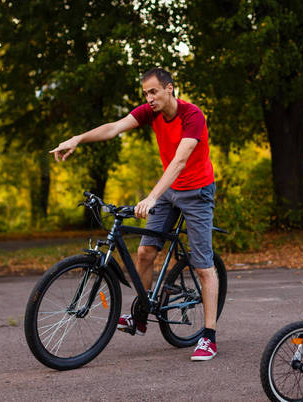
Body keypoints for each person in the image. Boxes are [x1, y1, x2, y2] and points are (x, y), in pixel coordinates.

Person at [49, 67, 219, 361]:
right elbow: (114, 128)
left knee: (203, 266)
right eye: (145, 94)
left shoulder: (193, 116)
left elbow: (179, 161)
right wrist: (77, 138)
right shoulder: (150, 113)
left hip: (197, 192)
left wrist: (152, 196)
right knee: (144, 253)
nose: (149, 98)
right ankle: (140, 315)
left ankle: (209, 337)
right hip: (169, 189)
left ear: (169, 88)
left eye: (153, 92)